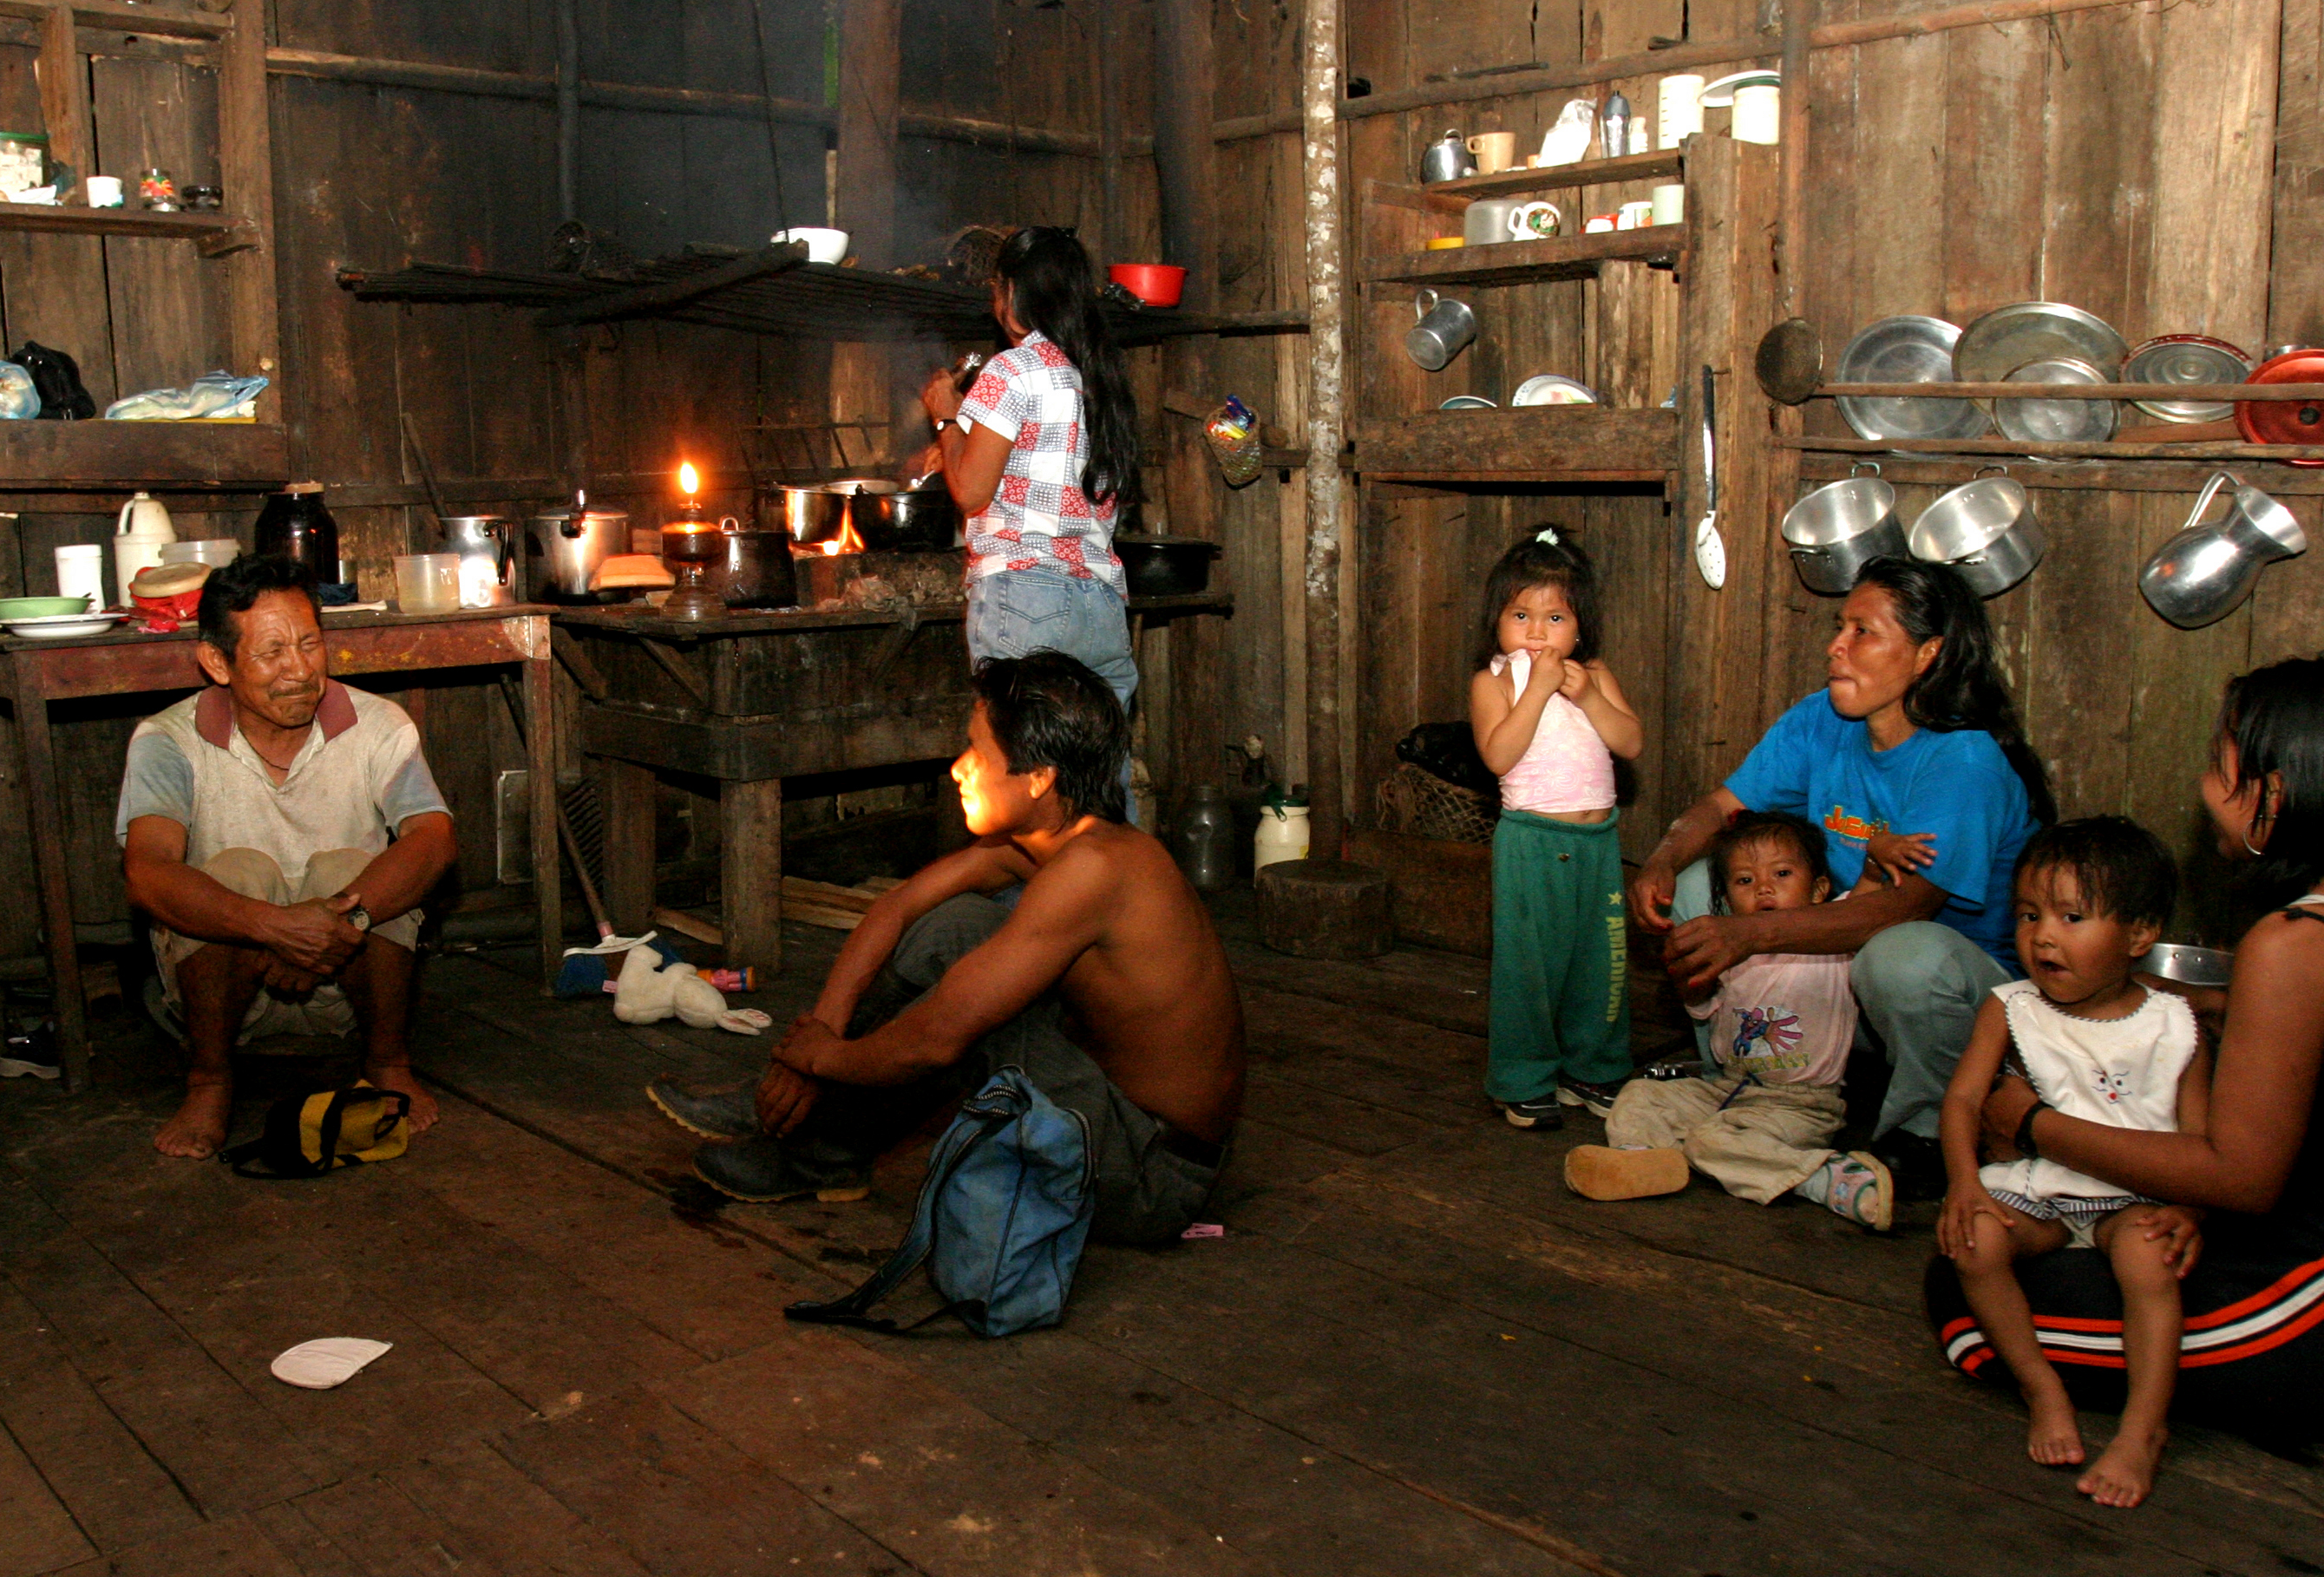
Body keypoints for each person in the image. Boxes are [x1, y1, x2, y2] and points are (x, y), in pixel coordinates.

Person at [647, 651, 1244, 1245]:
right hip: (1110, 1111)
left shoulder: (1095, 868)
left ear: (1039, 778)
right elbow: (896, 907)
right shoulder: (1056, 837)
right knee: (951, 925)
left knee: (971, 1022)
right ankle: (796, 1123)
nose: (958, 768)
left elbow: (935, 1041)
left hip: (1152, 1175)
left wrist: (816, 1060)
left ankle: (813, 1150)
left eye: (978, 754)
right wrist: (819, 1028)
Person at [1931, 657, 2324, 1450]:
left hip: (2303, 1296)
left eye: (2218, 763)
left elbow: (2241, 1179)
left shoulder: (2293, 945)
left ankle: (2150, 1424)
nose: (2203, 786)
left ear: (2270, 797)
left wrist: (2034, 1123)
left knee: (1959, 1302)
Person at [1627, 557, 2050, 1195]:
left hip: (1967, 1000)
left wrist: (1752, 937)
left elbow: (1907, 906)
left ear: (1926, 655)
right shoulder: (1822, 719)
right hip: (1838, 974)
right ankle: (1740, 1075)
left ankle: (1927, 1132)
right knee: (1696, 890)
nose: (1835, 646)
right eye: (1839, 627)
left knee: (1903, 957)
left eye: (1862, 632)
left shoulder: (1962, 760)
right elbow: (1721, 808)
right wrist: (1661, 858)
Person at [116, 554, 457, 1158]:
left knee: (354, 873)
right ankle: (210, 1080)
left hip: (346, 988)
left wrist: (337, 926)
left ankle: (387, 1061)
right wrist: (274, 928)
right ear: (216, 662)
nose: (298, 670)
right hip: (227, 1000)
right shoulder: (166, 740)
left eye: (309, 644)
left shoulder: (380, 725)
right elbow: (147, 873)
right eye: (271, 653)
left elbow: (434, 838)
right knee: (235, 874)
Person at [1935, 816, 2207, 1508]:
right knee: (1975, 1243)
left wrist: (2188, 1211)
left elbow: (2201, 1141)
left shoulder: (2175, 1024)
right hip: (2043, 1194)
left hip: (2131, 1198)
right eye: (2028, 914)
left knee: (2148, 1258)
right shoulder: (2011, 1007)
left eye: (2071, 916)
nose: (2042, 935)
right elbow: (1964, 1102)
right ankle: (2040, 1386)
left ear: (2139, 936)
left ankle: (2142, 1429)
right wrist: (1963, 1186)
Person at [1565, 811, 1894, 1227]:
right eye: (1745, 881)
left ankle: (1824, 1176)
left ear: (1819, 891)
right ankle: (1645, 1163)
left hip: (1798, 1106)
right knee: (1640, 1097)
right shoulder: (1731, 950)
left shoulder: (1829, 944)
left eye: (1783, 873)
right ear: (1726, 900)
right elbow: (1703, 1006)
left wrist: (1873, 864)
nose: (1764, 887)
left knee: (1710, 1143)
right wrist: (1689, 978)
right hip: (1725, 1089)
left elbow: (1862, 907)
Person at [914, 226, 1141, 723]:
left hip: (1026, 597)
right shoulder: (1101, 378)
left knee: (1020, 778)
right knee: (1097, 782)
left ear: (1013, 291)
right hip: (1100, 607)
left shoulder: (1012, 370)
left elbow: (972, 492)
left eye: (996, 288)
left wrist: (947, 417)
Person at [1468, 529, 1643, 1130]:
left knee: (1602, 962)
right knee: (1530, 967)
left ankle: (1591, 1067)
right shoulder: (1492, 682)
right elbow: (1497, 755)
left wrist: (1589, 698)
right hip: (1531, 843)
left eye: (1554, 616)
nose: (1536, 632)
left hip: (1596, 843)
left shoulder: (1591, 673)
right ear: (1497, 619)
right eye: (1521, 615)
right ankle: (1522, 1077)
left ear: (1578, 625)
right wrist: (1536, 692)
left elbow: (1629, 740)